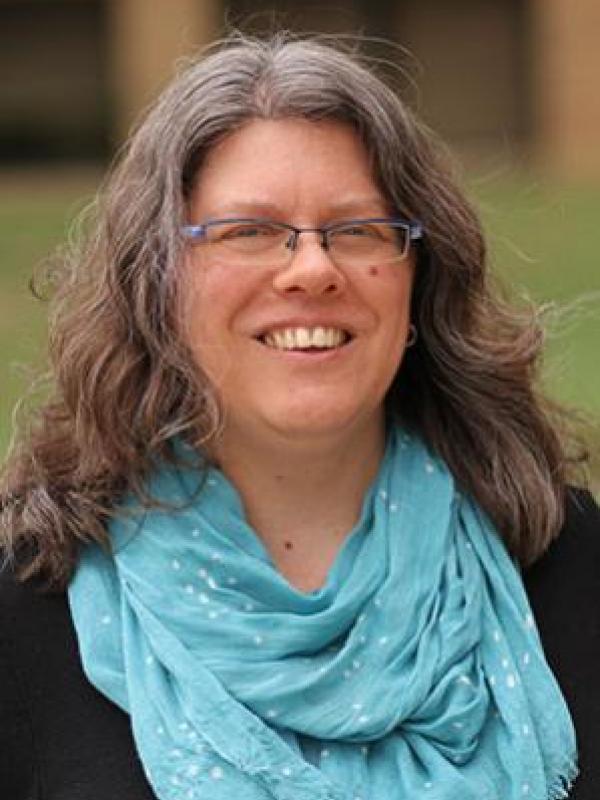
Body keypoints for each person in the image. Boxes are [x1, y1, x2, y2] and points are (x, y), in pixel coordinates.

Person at [0, 31, 598, 800]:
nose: (312, 268)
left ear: (418, 283)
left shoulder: (567, 565)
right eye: (247, 231)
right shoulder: (28, 612)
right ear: (159, 286)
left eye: (356, 230)